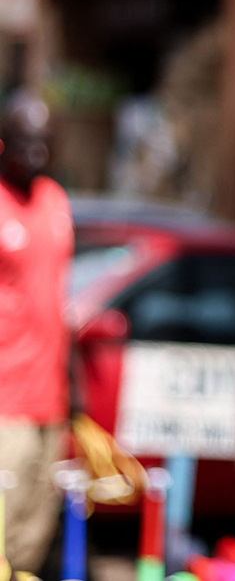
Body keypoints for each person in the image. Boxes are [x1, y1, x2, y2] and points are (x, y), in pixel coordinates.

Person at [0, 90, 73, 574]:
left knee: (34, 535)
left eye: (45, 143)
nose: (37, 154)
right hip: (5, 401)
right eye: (26, 142)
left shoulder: (55, 199)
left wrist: (76, 386)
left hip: (51, 399)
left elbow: (60, 300)